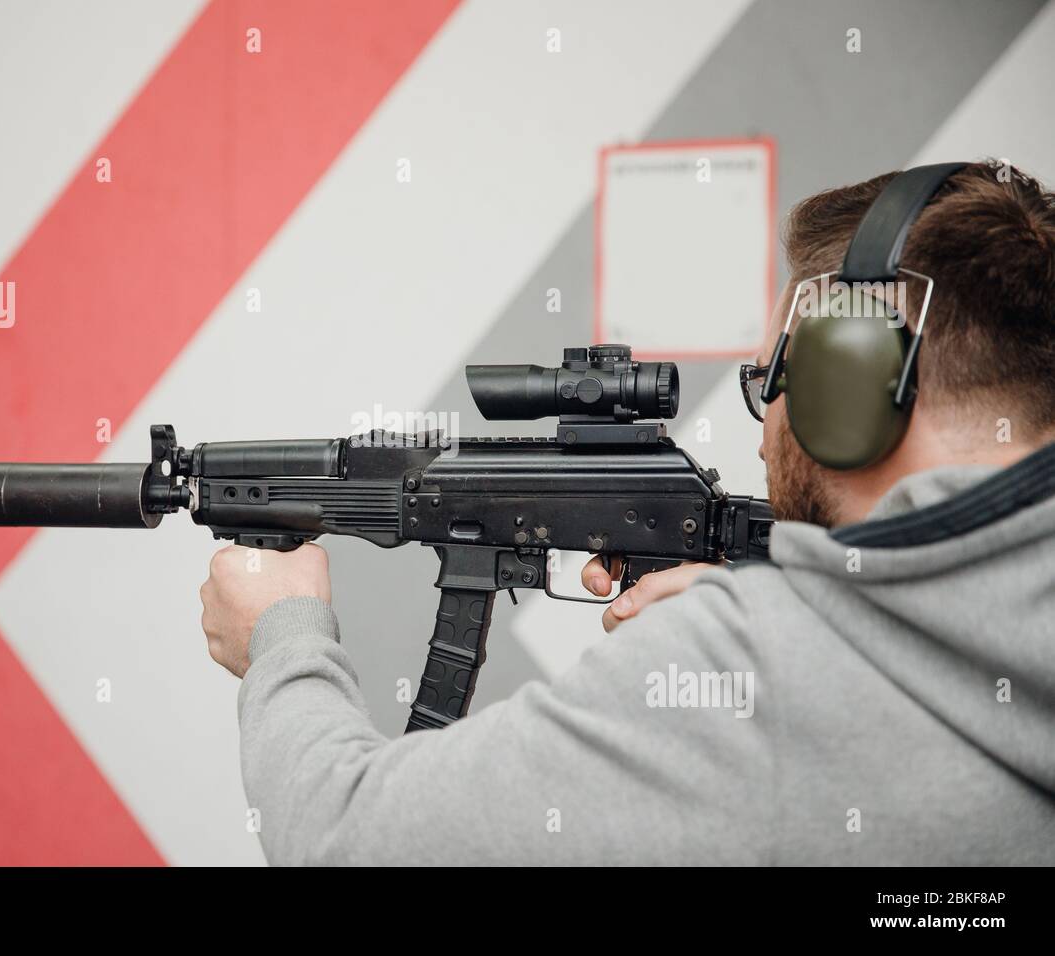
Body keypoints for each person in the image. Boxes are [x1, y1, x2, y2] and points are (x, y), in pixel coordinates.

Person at [199, 161, 1055, 865]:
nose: (763, 444)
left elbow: (343, 844)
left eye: (773, 384)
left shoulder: (752, 668)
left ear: (850, 386)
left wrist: (285, 638)